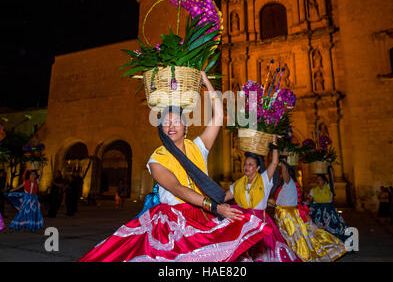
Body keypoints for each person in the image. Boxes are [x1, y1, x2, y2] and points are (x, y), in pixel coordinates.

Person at [79, 72, 273, 262]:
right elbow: (177, 188)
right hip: (172, 221)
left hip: (203, 215)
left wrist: (205, 82)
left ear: (186, 128)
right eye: (165, 122)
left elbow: (219, 115)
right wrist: (214, 206)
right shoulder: (157, 159)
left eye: (177, 121)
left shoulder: (198, 147)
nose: (171, 126)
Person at [224, 144, 302, 262]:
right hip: (242, 226)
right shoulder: (237, 184)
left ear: (258, 168)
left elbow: (274, 162)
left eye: (251, 164)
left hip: (261, 224)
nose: (247, 166)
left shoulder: (264, 179)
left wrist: (275, 143)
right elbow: (223, 197)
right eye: (245, 164)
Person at [271, 156, 346, 262]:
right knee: (295, 239)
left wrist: (282, 159)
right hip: (284, 215)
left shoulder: (289, 182)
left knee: (297, 240)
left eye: (282, 173)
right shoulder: (288, 187)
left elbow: (285, 172)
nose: (280, 175)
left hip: (291, 216)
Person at [307, 174, 348, 241]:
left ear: (324, 181)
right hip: (318, 211)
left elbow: (332, 179)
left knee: (332, 227)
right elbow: (309, 200)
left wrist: (330, 170)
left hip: (329, 211)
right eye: (317, 179)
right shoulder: (313, 190)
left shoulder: (329, 187)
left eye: (320, 179)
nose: (318, 181)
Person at [5, 167, 44, 232]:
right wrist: (13, 189)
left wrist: (42, 168)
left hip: (34, 200)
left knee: (33, 213)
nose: (33, 175)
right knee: (24, 212)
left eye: (34, 174)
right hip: (27, 199)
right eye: (32, 174)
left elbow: (41, 175)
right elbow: (19, 187)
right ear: (29, 175)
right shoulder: (26, 182)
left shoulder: (36, 181)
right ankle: (20, 225)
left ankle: (31, 226)